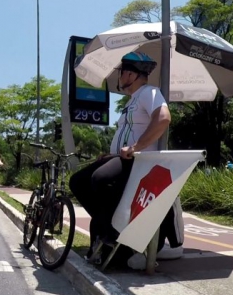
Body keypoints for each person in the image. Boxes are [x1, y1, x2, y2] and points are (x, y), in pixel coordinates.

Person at [69, 52, 172, 268]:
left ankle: (112, 232)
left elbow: (163, 118)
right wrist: (110, 154)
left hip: (137, 161)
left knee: (100, 179)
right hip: (119, 157)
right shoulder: (132, 100)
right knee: (77, 181)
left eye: (121, 72)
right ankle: (108, 227)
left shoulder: (149, 92)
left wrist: (136, 147)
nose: (120, 77)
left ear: (131, 74)